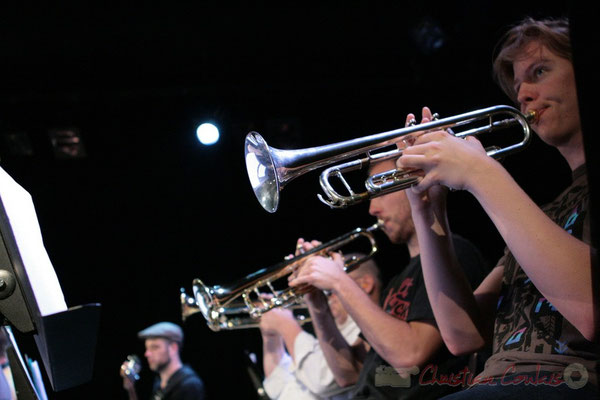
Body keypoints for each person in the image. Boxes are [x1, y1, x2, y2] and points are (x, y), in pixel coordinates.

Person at [396, 17, 599, 398]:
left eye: (539, 71)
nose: (522, 94)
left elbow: (588, 309)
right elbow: (461, 334)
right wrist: (427, 211)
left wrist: (480, 173)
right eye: (518, 84)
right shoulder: (547, 212)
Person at [289, 158, 490, 399]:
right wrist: (316, 301)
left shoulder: (456, 254)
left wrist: (338, 281)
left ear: (416, 185)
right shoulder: (397, 281)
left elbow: (410, 354)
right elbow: (350, 373)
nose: (372, 209)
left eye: (381, 191)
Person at [260, 256, 382, 400]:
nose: (326, 296)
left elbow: (322, 381)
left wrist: (286, 326)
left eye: (329, 289)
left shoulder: (371, 330)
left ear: (364, 284)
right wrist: (272, 339)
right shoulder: (330, 334)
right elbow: (284, 391)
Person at [120, 321, 205, 400]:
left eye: (154, 347)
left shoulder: (189, 386)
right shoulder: (160, 383)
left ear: (173, 348)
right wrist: (131, 389)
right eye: (147, 348)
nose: (147, 354)